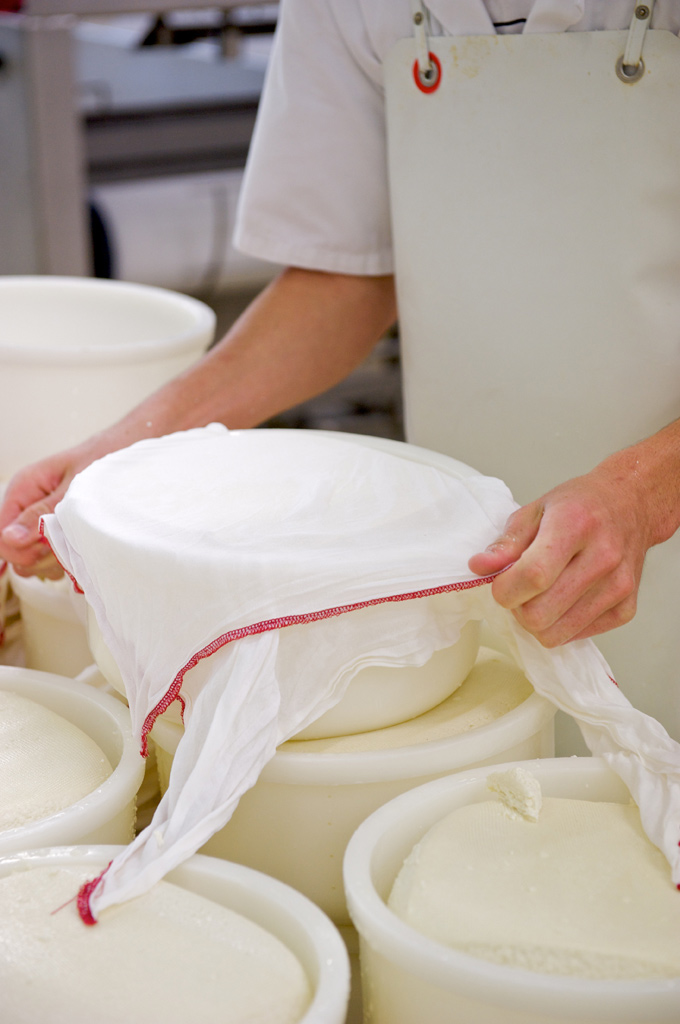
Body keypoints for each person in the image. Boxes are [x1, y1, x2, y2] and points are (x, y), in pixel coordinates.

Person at [1, 0, 680, 745]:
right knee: (512, 758)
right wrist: (122, 454)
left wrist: (642, 494)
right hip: (471, 533)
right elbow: (347, 280)